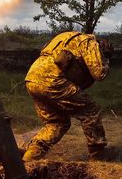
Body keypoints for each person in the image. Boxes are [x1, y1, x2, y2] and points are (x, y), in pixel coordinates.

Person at [22, 31, 115, 161]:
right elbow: (99, 73)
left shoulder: (66, 37)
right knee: (91, 110)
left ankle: (31, 155)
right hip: (53, 80)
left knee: (57, 123)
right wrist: (106, 59)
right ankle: (98, 155)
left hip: (32, 78)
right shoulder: (89, 42)